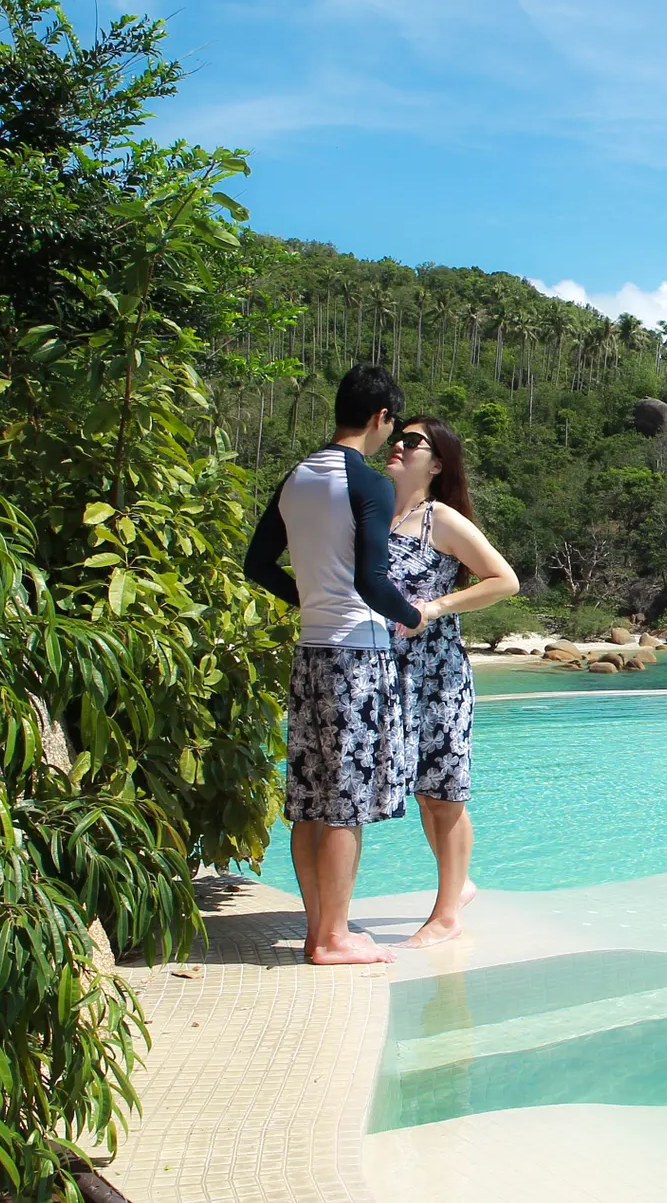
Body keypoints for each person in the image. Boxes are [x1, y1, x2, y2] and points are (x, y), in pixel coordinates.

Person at [244, 364, 428, 966]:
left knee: (308, 797)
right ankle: (334, 937)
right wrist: (414, 615)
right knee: (346, 802)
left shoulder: (296, 477)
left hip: (310, 653)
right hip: (357, 657)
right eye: (392, 424)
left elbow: (257, 564)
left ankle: (317, 930)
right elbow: (372, 581)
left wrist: (308, 600)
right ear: (381, 417)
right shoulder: (368, 484)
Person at [382, 415, 518, 947]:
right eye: (397, 436)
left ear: (437, 463)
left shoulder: (438, 518)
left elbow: (504, 580)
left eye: (412, 441)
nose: (399, 444)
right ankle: (457, 886)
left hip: (437, 673)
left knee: (442, 791)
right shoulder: (377, 513)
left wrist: (435, 607)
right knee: (424, 793)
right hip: (389, 671)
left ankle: (446, 914)